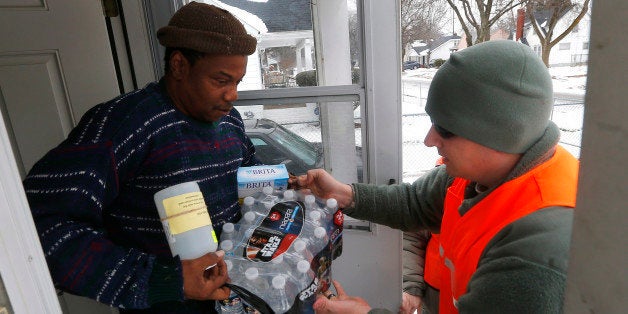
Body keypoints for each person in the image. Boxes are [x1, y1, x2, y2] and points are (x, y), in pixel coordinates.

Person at [294, 40, 579, 313]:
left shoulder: (537, 253)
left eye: (444, 128)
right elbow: (414, 203)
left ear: (498, 132)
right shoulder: (474, 174)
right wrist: (343, 194)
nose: (430, 140)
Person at [23, 2, 259, 313]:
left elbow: (247, 178)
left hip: (234, 300)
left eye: (237, 82)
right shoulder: (124, 124)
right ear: (179, 65)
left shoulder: (230, 121)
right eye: (221, 80)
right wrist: (163, 278)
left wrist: (281, 192)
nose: (233, 95)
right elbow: (38, 227)